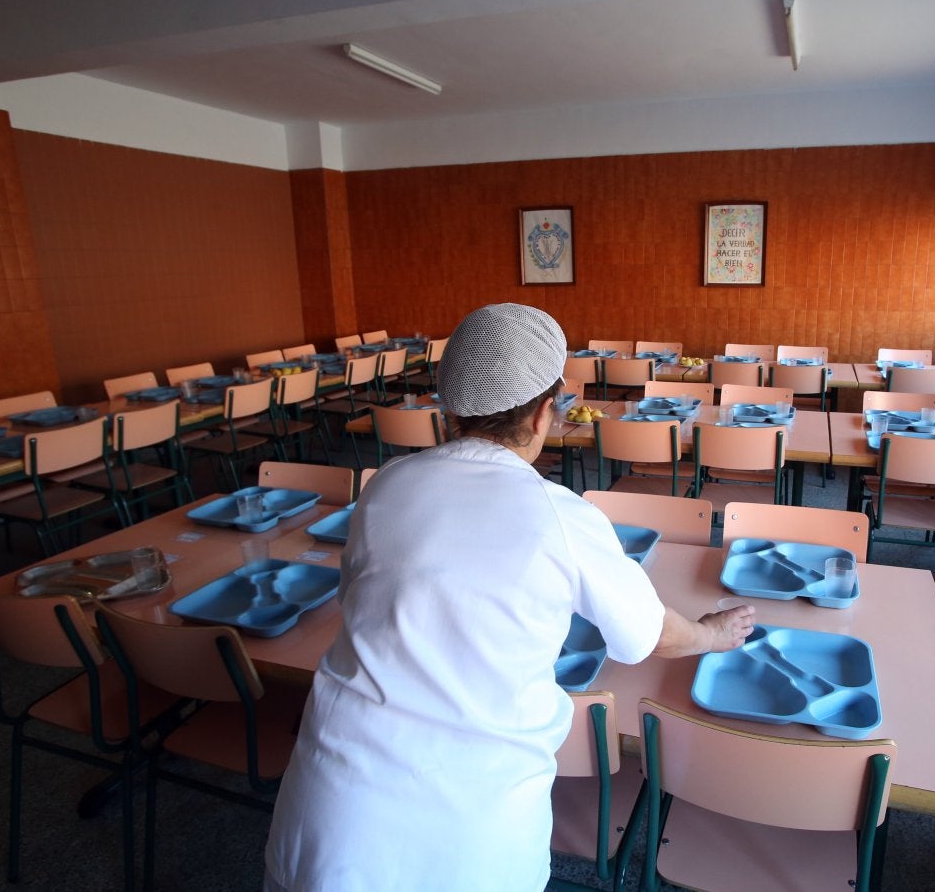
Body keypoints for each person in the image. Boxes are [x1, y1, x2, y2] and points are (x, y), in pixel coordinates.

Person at [264, 303, 754, 891]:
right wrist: (711, 633)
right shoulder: (559, 513)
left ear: (449, 403)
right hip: (464, 834)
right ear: (547, 411)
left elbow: (361, 599)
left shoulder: (387, 484)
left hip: (328, 809)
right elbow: (650, 636)